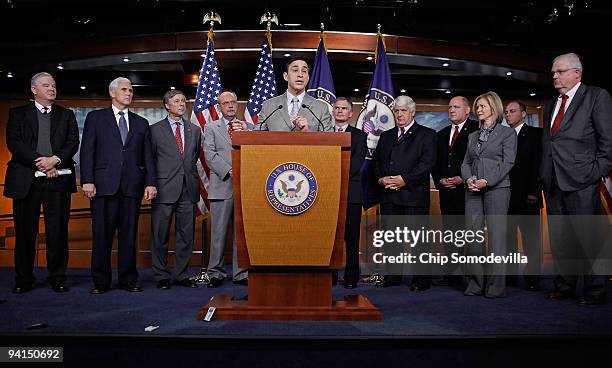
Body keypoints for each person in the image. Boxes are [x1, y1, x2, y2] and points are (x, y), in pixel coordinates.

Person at [540, 53, 612, 305]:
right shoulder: (551, 104)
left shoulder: (596, 96)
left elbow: (607, 140)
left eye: (559, 71)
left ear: (577, 73)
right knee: (561, 240)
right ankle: (564, 285)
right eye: (553, 73)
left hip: (583, 181)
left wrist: (596, 172)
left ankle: (595, 290)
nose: (555, 77)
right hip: (553, 182)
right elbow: (550, 142)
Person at [80, 77, 157, 294]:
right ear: (112, 93)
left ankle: (128, 280)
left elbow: (147, 157)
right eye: (124, 89)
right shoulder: (96, 118)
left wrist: (150, 182)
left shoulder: (141, 122)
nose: (129, 93)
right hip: (103, 187)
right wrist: (87, 180)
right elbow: (87, 151)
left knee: (128, 236)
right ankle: (101, 282)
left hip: (131, 187)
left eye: (131, 90)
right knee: (102, 237)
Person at [4, 72, 79, 294]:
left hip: (58, 179)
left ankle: (58, 277)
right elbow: (14, 143)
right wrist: (41, 163)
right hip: (26, 180)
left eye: (54, 85)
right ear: (34, 90)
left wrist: (55, 160)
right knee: (26, 232)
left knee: (57, 232)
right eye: (46, 86)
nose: (52, 89)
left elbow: (72, 142)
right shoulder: (17, 114)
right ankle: (24, 278)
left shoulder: (66, 115)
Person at [373, 95, 437, 290]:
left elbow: (427, 164)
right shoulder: (387, 135)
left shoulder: (427, 134)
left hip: (413, 195)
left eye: (403, 110)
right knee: (392, 238)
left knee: (417, 241)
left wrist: (404, 180)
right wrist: (381, 179)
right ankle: (393, 277)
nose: (399, 114)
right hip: (389, 194)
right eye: (397, 110)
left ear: (412, 112)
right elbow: (376, 162)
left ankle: (421, 280)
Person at [461, 91, 516, 298]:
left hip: (497, 190)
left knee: (497, 239)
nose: (478, 110)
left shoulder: (507, 133)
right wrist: (468, 179)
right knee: (473, 238)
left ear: (494, 107)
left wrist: (487, 181)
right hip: (473, 190)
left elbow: (507, 162)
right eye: (477, 107)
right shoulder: (472, 135)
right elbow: (465, 162)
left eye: (482, 106)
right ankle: (475, 284)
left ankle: (495, 287)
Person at [149, 90, 202, 289]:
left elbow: (193, 157)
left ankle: (181, 275)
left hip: (188, 189)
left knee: (186, 235)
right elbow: (150, 159)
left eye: (183, 101)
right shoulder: (154, 130)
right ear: (167, 106)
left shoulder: (194, 130)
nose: (181, 104)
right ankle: (161, 276)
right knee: (160, 235)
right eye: (177, 101)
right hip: (163, 188)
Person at [204, 90, 253, 288]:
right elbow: (209, 154)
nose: (231, 105)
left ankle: (241, 273)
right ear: (219, 107)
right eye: (226, 103)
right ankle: (215, 272)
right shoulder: (211, 127)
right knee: (218, 233)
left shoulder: (249, 127)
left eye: (234, 102)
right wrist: (230, 170)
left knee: (241, 234)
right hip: (222, 185)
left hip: (245, 188)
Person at [431, 96, 479, 287]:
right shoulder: (441, 134)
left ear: (468, 110)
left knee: (471, 235)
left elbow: (480, 160)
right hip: (447, 191)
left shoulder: (477, 130)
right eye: (450, 107)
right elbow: (435, 162)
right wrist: (440, 179)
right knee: (451, 233)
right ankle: (452, 274)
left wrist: (463, 178)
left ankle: (474, 277)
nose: (451, 110)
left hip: (469, 191)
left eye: (456, 107)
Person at [504, 100, 543, 291]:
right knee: (508, 239)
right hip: (506, 198)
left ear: (523, 114)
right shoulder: (502, 136)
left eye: (512, 111)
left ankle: (532, 279)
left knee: (531, 240)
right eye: (506, 112)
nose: (508, 114)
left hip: (529, 196)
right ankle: (510, 277)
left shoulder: (537, 135)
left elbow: (539, 165)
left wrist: (535, 191)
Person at [332, 97, 367, 289]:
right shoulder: (324, 134)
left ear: (350, 113)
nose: (340, 111)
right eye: (337, 108)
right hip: (327, 196)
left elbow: (355, 166)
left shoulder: (359, 136)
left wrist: (332, 175)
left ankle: (352, 277)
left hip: (351, 194)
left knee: (351, 239)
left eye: (344, 108)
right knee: (329, 238)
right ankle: (329, 276)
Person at [258, 57, 332, 132]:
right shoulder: (268, 106)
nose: (300, 74)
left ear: (308, 78)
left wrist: (308, 132)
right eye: (295, 70)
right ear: (286, 76)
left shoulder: (321, 107)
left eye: (304, 71)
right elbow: (256, 136)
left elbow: (330, 140)